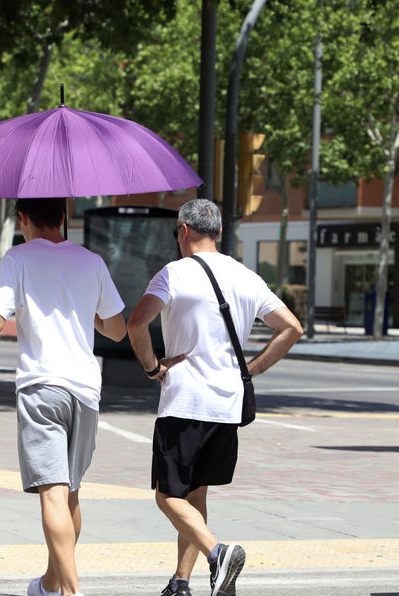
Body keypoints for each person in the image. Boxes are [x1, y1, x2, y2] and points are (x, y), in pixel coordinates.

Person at [0, 197, 127, 596]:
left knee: (52, 492)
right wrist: (84, 310)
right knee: (70, 492)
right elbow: (117, 330)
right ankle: (49, 584)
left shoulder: (18, 258)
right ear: (64, 217)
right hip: (85, 390)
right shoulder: (91, 261)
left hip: (42, 386)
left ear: (23, 219)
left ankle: (71, 593)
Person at [127, 198, 303, 596]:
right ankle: (181, 582)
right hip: (226, 405)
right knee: (196, 494)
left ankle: (217, 551)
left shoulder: (173, 273)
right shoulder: (246, 276)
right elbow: (291, 328)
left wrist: (153, 367)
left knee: (167, 496)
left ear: (184, 231)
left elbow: (136, 323)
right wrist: (249, 370)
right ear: (219, 232)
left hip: (184, 400)